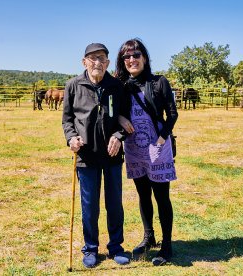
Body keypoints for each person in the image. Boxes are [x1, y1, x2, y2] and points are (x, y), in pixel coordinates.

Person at [62, 43, 130, 268]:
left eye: (101, 58)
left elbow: (125, 118)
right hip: (86, 156)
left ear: (108, 63)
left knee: (114, 204)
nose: (97, 63)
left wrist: (119, 136)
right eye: (92, 59)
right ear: (84, 62)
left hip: (111, 155)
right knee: (89, 206)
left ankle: (115, 247)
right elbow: (67, 119)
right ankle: (90, 248)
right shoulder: (73, 85)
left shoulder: (116, 86)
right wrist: (71, 138)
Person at [115, 38, 178, 266]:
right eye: (127, 56)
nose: (132, 59)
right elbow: (114, 112)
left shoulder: (159, 82)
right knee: (143, 195)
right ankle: (148, 237)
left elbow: (172, 114)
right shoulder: (121, 86)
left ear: (145, 58)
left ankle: (167, 245)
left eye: (136, 55)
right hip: (134, 148)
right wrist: (121, 118)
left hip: (158, 148)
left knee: (162, 196)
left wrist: (161, 140)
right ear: (122, 61)